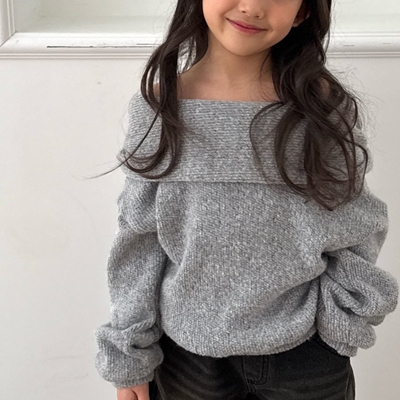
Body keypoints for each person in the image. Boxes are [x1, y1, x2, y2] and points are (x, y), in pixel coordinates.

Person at [93, 0, 399, 399]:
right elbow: (138, 243)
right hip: (187, 359)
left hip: (307, 355)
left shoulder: (322, 108)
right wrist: (129, 355)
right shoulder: (160, 108)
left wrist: (341, 327)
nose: (253, 6)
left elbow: (359, 225)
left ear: (304, 11)